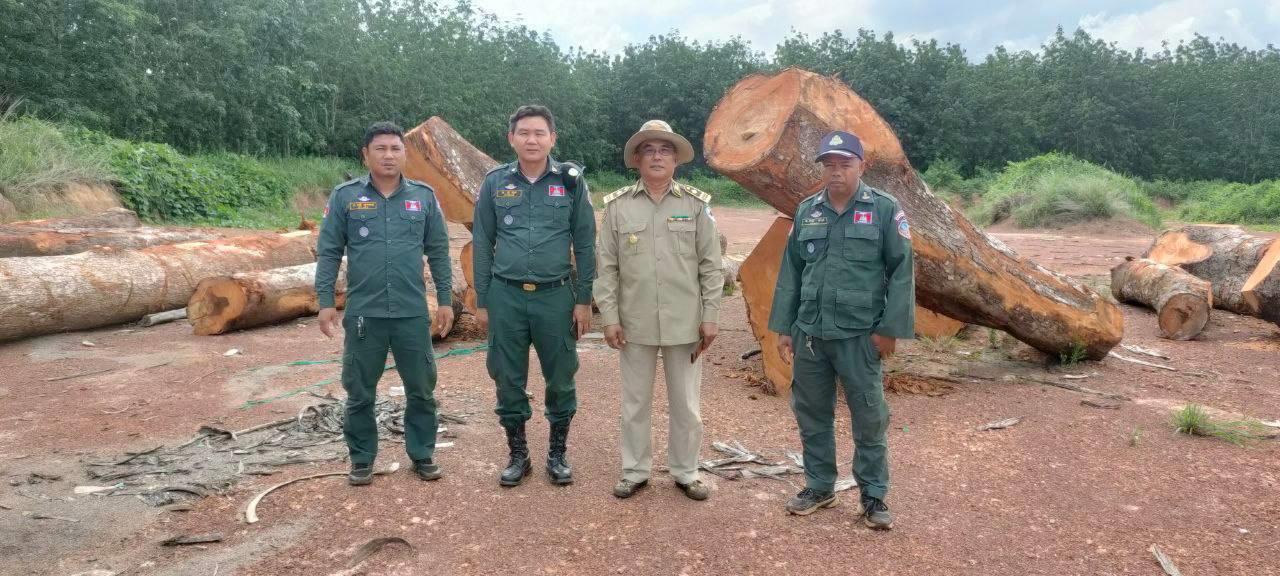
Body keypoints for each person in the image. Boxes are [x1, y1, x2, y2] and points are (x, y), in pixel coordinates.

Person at [767, 130, 915, 529]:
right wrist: (784, 327)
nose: (836, 172)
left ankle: (873, 495)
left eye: (844, 164)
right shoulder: (807, 211)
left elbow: (902, 271)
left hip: (859, 334)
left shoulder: (883, 209)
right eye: (829, 165)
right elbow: (791, 272)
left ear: (862, 165)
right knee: (812, 414)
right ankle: (820, 486)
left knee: (869, 418)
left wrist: (890, 329)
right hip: (810, 334)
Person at [315, 121, 455, 486]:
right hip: (365, 314)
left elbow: (439, 252)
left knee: (421, 389)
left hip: (411, 313)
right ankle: (362, 459)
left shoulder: (423, 197)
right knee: (359, 390)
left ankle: (422, 454)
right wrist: (325, 301)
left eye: (395, 148)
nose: (388, 155)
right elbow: (329, 252)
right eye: (380, 149)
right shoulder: (345, 197)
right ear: (366, 155)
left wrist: (445, 300)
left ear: (405, 154)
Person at [594, 120, 724, 501]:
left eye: (664, 150)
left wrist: (711, 315)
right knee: (635, 403)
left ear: (675, 160)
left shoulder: (696, 205)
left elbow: (711, 265)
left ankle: (686, 471)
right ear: (637, 159)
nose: (656, 156)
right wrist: (610, 317)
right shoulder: (617, 207)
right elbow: (607, 268)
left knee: (686, 405)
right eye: (648, 150)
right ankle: (635, 470)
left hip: (686, 323)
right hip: (634, 323)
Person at [471, 105, 596, 486]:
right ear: (511, 138)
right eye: (524, 132)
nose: (532, 140)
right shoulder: (494, 183)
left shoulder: (570, 182)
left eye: (540, 133)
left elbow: (585, 242)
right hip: (506, 296)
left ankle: (557, 454)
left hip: (555, 297)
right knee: (507, 378)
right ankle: (518, 455)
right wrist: (482, 300)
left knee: (561, 377)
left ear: (552, 138)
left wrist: (584, 299)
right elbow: (483, 242)